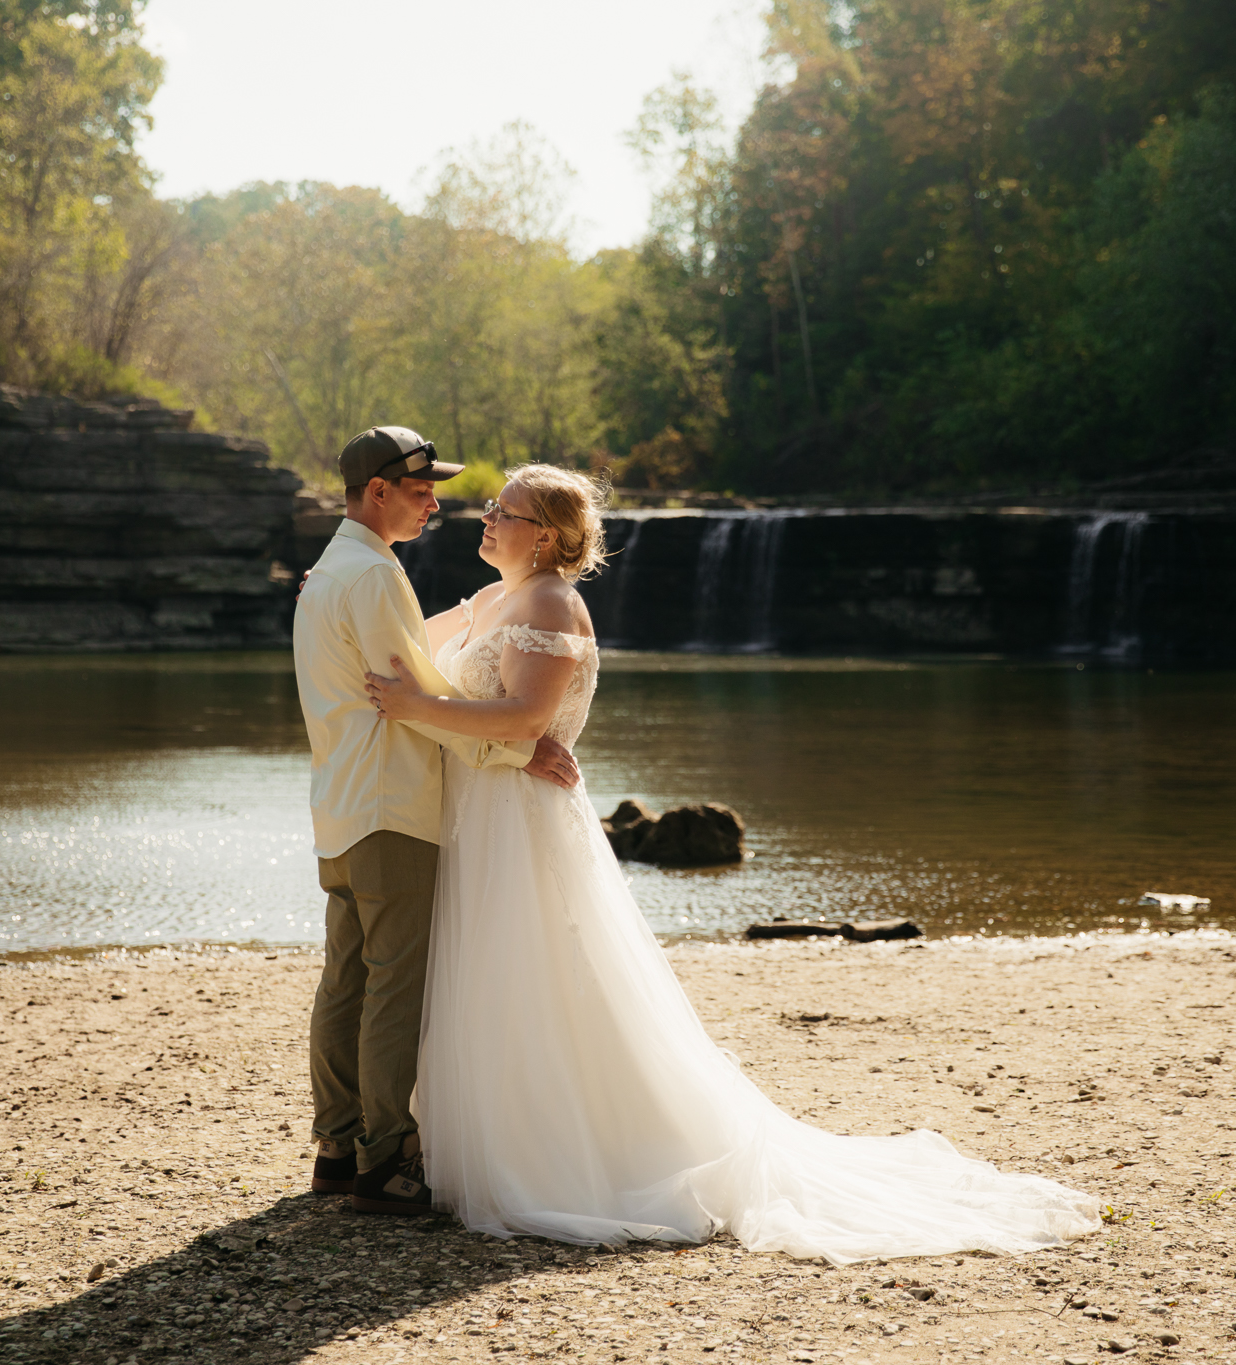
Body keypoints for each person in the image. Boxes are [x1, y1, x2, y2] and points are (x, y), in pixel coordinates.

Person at [364, 464, 1102, 1262]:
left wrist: (414, 707)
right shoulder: (495, 599)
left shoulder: (549, 602)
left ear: (542, 533)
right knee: (492, 978)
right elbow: (408, 641)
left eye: (500, 511)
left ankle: (565, 1155)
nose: (484, 518)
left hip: (520, 821)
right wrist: (342, 589)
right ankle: (497, 1139)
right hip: (481, 811)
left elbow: (526, 716)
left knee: (537, 979)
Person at [293, 426, 582, 1217]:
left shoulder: (332, 572)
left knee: (347, 976)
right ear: (378, 491)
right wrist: (515, 756)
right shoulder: (376, 577)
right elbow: (413, 702)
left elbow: (415, 677)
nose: (439, 501)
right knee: (394, 986)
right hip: (393, 805)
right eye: (422, 489)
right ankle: (384, 1157)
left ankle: (337, 1146)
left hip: (343, 805)